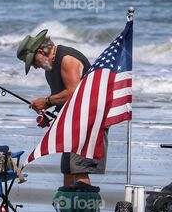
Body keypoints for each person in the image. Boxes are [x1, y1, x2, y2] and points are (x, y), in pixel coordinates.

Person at [16, 29, 106, 186]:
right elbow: (62, 100)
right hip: (74, 122)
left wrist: (47, 101)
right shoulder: (49, 69)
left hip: (89, 119)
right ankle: (68, 208)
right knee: (68, 169)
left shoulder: (66, 59)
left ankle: (84, 208)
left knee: (79, 168)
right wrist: (48, 114)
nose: (35, 67)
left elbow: (74, 92)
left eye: (33, 62)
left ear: (41, 52)